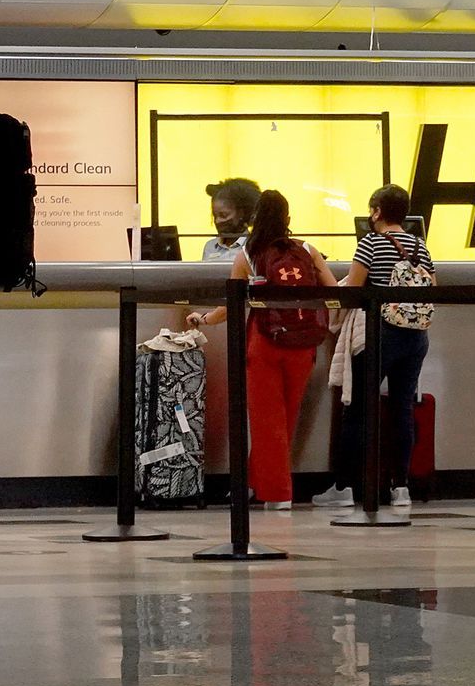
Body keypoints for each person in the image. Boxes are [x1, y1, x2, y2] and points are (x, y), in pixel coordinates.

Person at [186, 190, 338, 510]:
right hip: (304, 343)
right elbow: (333, 291)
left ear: (255, 218)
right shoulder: (308, 250)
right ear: (287, 218)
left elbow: (232, 302)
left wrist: (205, 319)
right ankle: (256, 483)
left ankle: (278, 493)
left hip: (265, 342)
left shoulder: (248, 254)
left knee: (267, 422)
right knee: (286, 417)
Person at [315, 185, 435, 509]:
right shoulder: (419, 246)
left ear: (377, 212)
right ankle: (401, 488)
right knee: (402, 409)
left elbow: (352, 290)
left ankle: (346, 487)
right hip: (415, 337)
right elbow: (432, 288)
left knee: (357, 410)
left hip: (378, 332)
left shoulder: (371, 243)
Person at [202, 178, 260, 262]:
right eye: (214, 216)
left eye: (223, 215)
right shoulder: (210, 247)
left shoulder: (256, 246)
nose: (218, 221)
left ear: (242, 213)